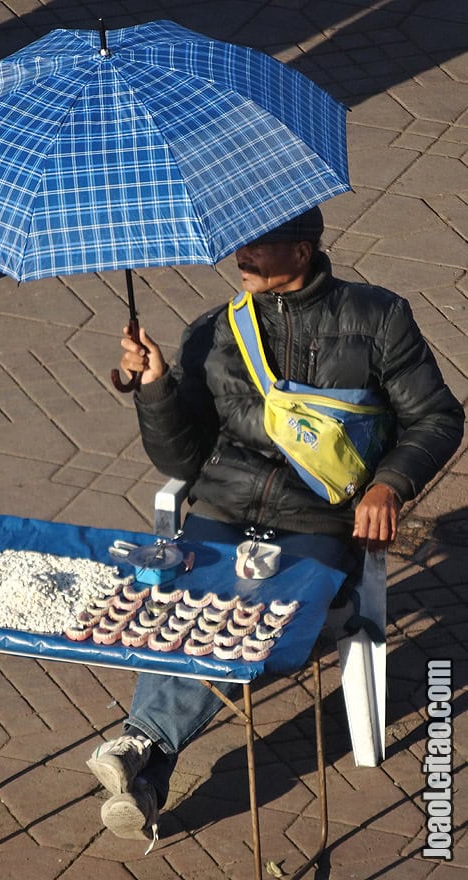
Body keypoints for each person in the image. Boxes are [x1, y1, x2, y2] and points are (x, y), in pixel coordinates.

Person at [85, 206, 464, 845]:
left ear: (306, 249)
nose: (243, 256)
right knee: (178, 605)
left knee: (249, 612)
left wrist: (389, 484)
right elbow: (181, 459)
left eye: (261, 244)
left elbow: (438, 418)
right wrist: (154, 389)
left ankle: (144, 746)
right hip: (224, 506)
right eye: (240, 242)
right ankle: (146, 775)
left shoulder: (379, 317)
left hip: (319, 513)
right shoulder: (214, 331)